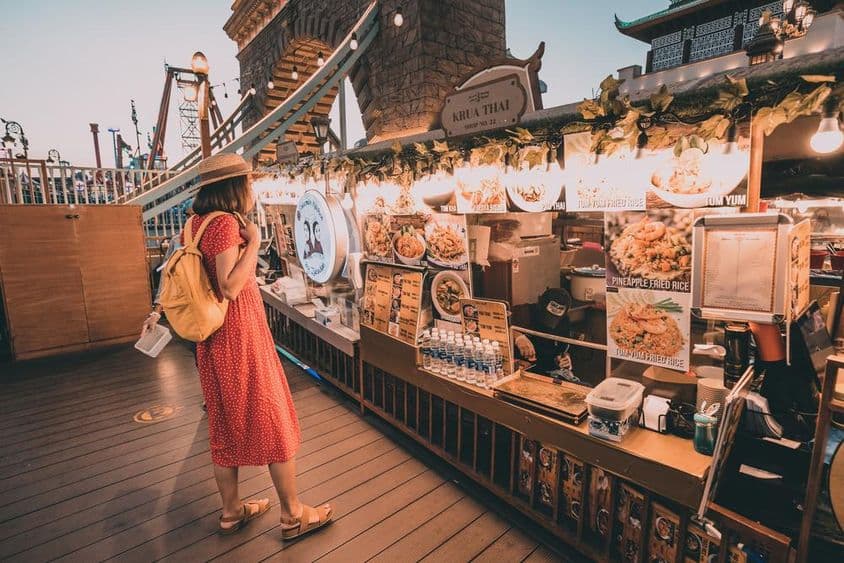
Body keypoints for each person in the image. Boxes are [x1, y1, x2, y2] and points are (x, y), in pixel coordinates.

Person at [141, 153, 332, 538]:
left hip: (210, 339)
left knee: (224, 424)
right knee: (271, 416)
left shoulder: (193, 225)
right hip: (238, 334)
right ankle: (292, 514)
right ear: (236, 187)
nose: (252, 188)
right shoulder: (227, 225)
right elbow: (230, 286)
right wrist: (255, 244)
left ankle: (231, 512)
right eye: (249, 182)